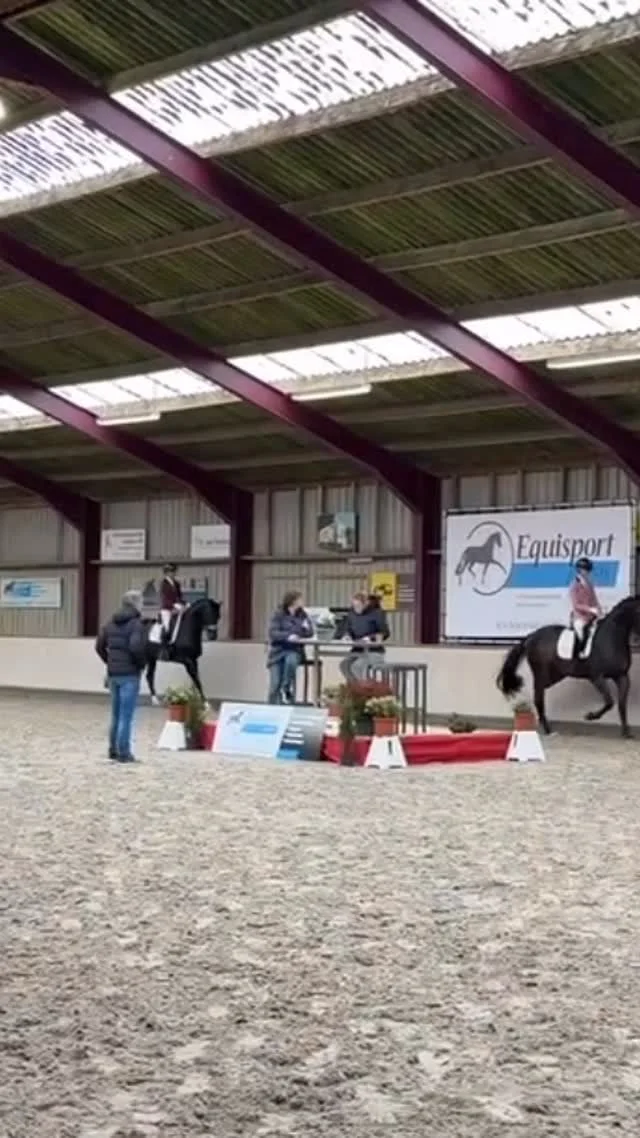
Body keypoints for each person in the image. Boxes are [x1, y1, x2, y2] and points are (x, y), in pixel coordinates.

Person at [95, 589, 147, 762]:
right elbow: (135, 647)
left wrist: (109, 661)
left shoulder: (110, 622)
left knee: (116, 715)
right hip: (129, 674)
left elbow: (99, 646)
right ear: (135, 603)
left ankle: (113, 749)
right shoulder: (136, 624)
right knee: (126, 716)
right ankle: (124, 752)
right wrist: (141, 664)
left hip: (113, 674)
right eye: (141, 602)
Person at [266, 590, 313, 704]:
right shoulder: (279, 614)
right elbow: (273, 633)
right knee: (274, 685)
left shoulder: (303, 615)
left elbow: (310, 632)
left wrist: (301, 632)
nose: (302, 601)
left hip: (294, 650)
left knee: (291, 660)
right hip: (278, 651)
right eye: (300, 599)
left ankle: (286, 687)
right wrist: (288, 636)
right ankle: (272, 707)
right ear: (293, 601)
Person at [340, 590, 390, 681]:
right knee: (344, 665)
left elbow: (385, 632)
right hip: (357, 650)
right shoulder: (352, 614)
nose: (356, 609)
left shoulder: (376, 613)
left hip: (374, 651)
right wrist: (347, 635)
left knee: (357, 666)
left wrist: (370, 638)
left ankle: (365, 687)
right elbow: (347, 628)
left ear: (365, 604)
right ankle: (355, 686)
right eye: (354, 606)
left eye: (358, 606)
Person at [569, 556, 602, 655]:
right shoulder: (574, 585)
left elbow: (594, 599)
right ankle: (580, 653)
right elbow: (576, 605)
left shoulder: (589, 584)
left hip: (592, 617)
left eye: (588, 570)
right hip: (580, 617)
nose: (587, 572)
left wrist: (598, 609)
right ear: (579, 570)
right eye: (585, 570)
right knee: (581, 632)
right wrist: (590, 609)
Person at [159, 562, 185, 653]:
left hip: (177, 608)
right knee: (167, 627)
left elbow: (179, 596)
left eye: (174, 571)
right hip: (167, 609)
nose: (173, 573)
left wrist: (184, 603)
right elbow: (165, 598)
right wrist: (174, 605)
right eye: (171, 572)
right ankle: (164, 649)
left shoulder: (177, 583)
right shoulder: (163, 584)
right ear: (166, 573)